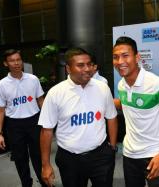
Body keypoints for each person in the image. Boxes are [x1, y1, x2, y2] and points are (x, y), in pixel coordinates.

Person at [38, 48, 118, 187]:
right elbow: (46, 130)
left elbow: (111, 117)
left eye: (89, 64)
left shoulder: (102, 88)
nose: (87, 69)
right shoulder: (55, 93)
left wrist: (111, 147)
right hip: (70, 160)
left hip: (101, 156)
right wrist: (45, 165)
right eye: (80, 65)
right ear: (68, 69)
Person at [113, 36, 159, 187]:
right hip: (129, 155)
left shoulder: (158, 84)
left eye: (125, 55)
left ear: (137, 57)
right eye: (115, 57)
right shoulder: (121, 84)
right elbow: (125, 103)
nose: (120, 61)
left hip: (154, 155)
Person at [0, 49, 46, 187]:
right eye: (12, 60)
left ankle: (45, 182)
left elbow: (41, 101)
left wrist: (48, 122)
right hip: (14, 125)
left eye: (18, 59)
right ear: (6, 63)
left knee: (39, 157)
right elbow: (0, 110)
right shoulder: (2, 84)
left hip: (34, 122)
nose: (16, 63)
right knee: (20, 159)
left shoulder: (33, 79)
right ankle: (26, 183)